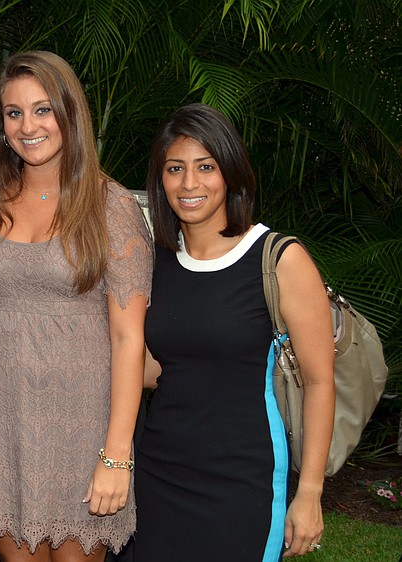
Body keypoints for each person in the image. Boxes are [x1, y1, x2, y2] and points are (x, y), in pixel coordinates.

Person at [0, 51, 152, 562]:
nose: (28, 126)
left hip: (83, 429)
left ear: (69, 113)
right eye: (14, 112)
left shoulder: (111, 207)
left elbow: (129, 338)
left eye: (43, 110)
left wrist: (117, 453)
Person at [134, 103, 335, 560]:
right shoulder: (157, 262)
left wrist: (309, 493)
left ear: (230, 172)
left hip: (244, 482)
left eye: (205, 166)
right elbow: (154, 369)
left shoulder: (277, 258)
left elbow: (320, 381)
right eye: (175, 168)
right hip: (159, 476)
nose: (189, 183)